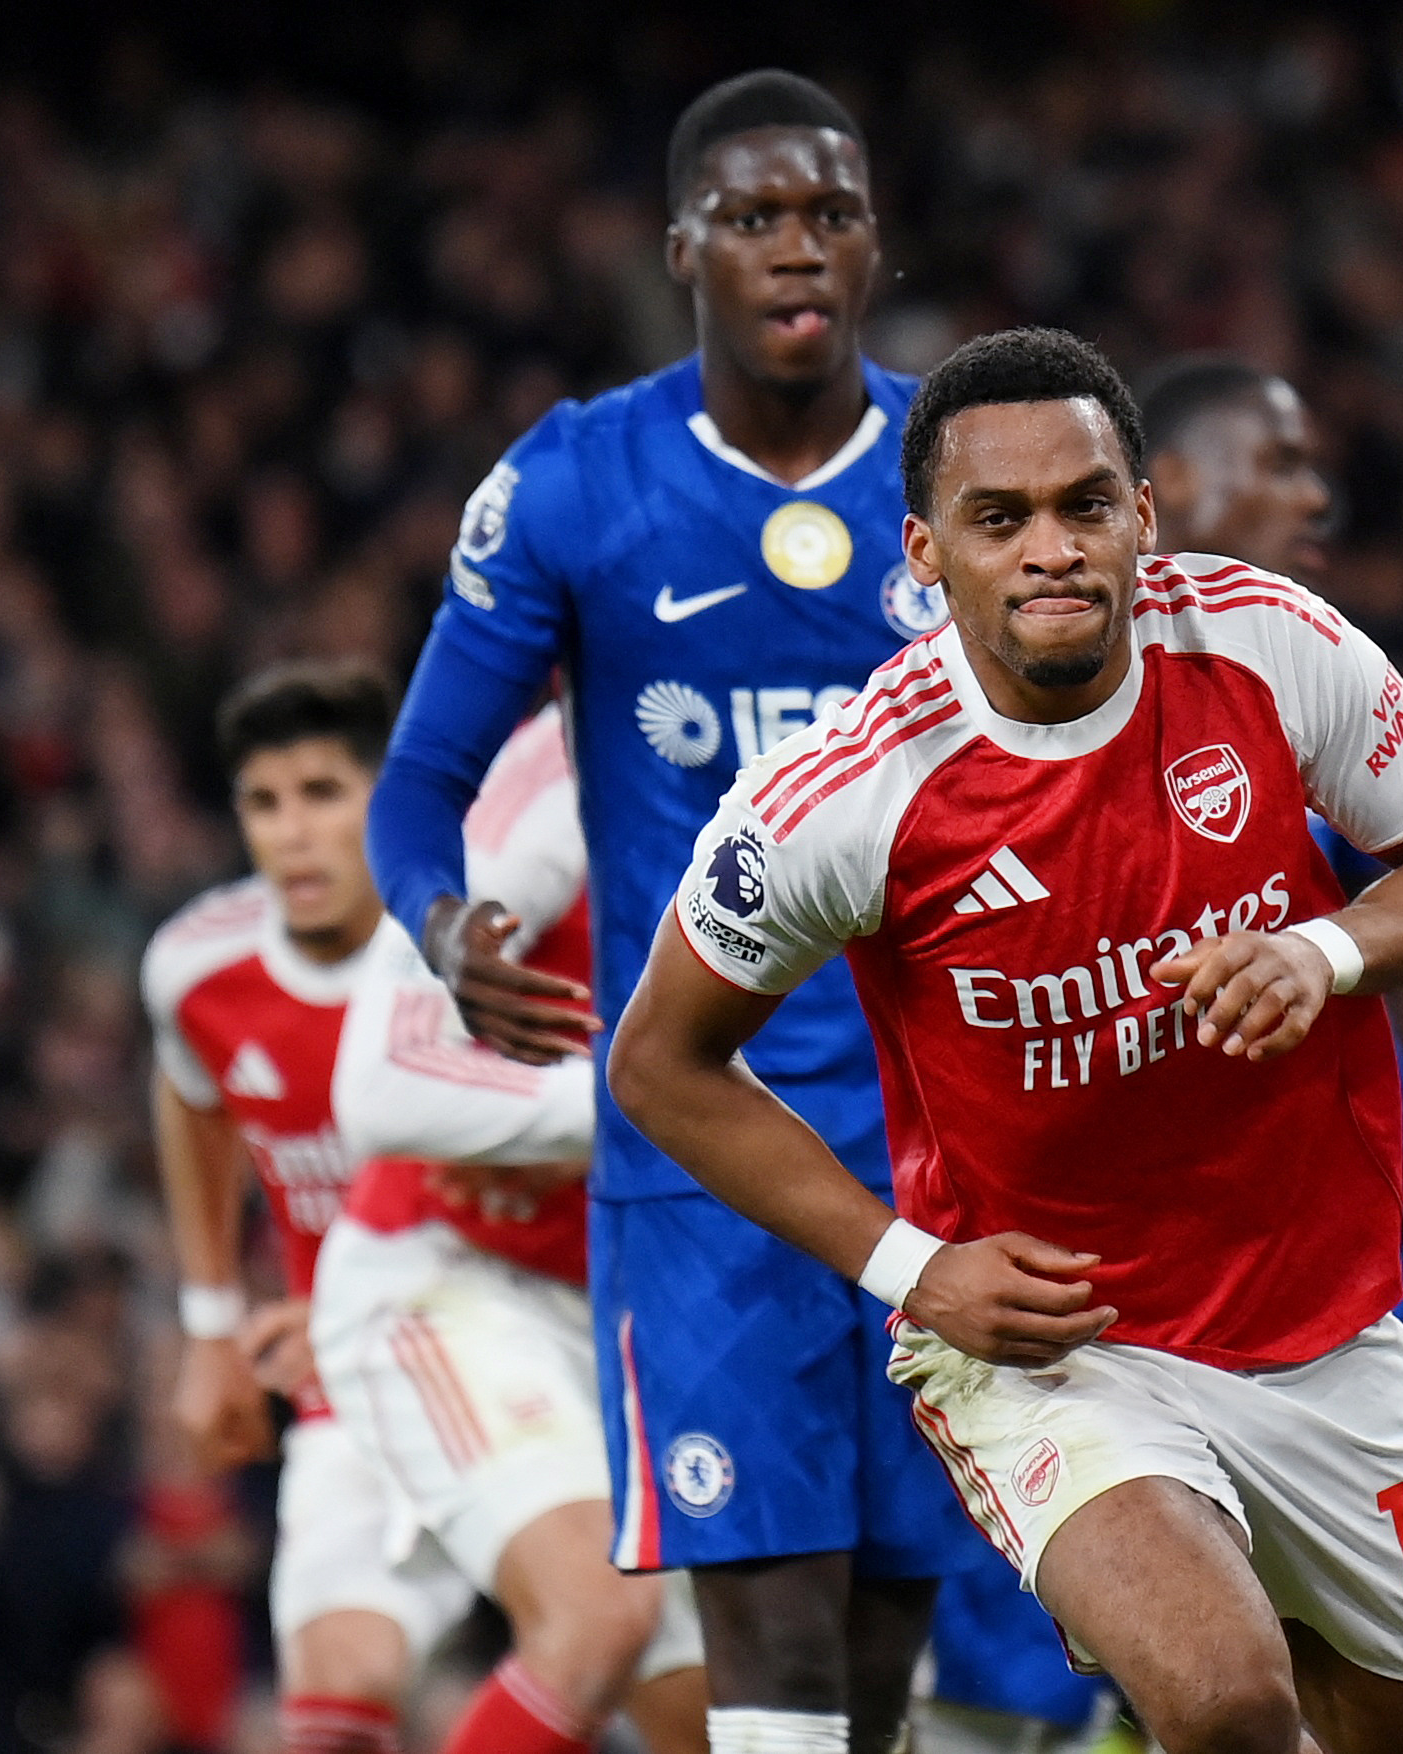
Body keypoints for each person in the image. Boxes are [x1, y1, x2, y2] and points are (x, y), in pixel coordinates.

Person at [607, 327, 1403, 1754]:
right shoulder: (848, 791)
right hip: (1061, 1344)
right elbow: (658, 1063)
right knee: (1228, 1700)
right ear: (926, 552)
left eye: (1084, 505)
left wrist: (1321, 949)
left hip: (1317, 1323)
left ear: (1141, 514)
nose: (1051, 548)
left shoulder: (1269, 643)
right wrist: (911, 1269)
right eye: (1000, 518)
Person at [365, 71, 971, 1754]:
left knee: (883, 1636)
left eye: (830, 214)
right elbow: (418, 782)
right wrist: (444, 924)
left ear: (875, 244)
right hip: (705, 1150)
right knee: (763, 1618)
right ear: (681, 249)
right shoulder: (575, 483)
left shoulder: (963, 471)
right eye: (754, 217)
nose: (797, 248)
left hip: (940, 1138)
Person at [1140, 353, 1403, 1754]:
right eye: (1278, 461)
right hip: (1153, 1300)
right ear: (1167, 485)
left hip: (1349, 1269)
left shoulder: (1309, 684)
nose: (1314, 495)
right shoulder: (1066, 726)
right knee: (1223, 1672)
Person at [316, 704, 709, 1754]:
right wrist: (658, 1111)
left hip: (640, 1309)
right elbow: (387, 1085)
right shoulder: (557, 779)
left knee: (717, 1721)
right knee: (598, 1615)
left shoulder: (846, 748)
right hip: (454, 1276)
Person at [143, 663, 476, 1754]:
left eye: (323, 793)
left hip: (528, 1357)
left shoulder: (471, 951)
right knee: (333, 1699)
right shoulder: (196, 968)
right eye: (264, 801)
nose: (291, 833)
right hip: (351, 1392)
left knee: (655, 1683)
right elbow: (191, 1098)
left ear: (390, 797)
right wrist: (208, 1325)